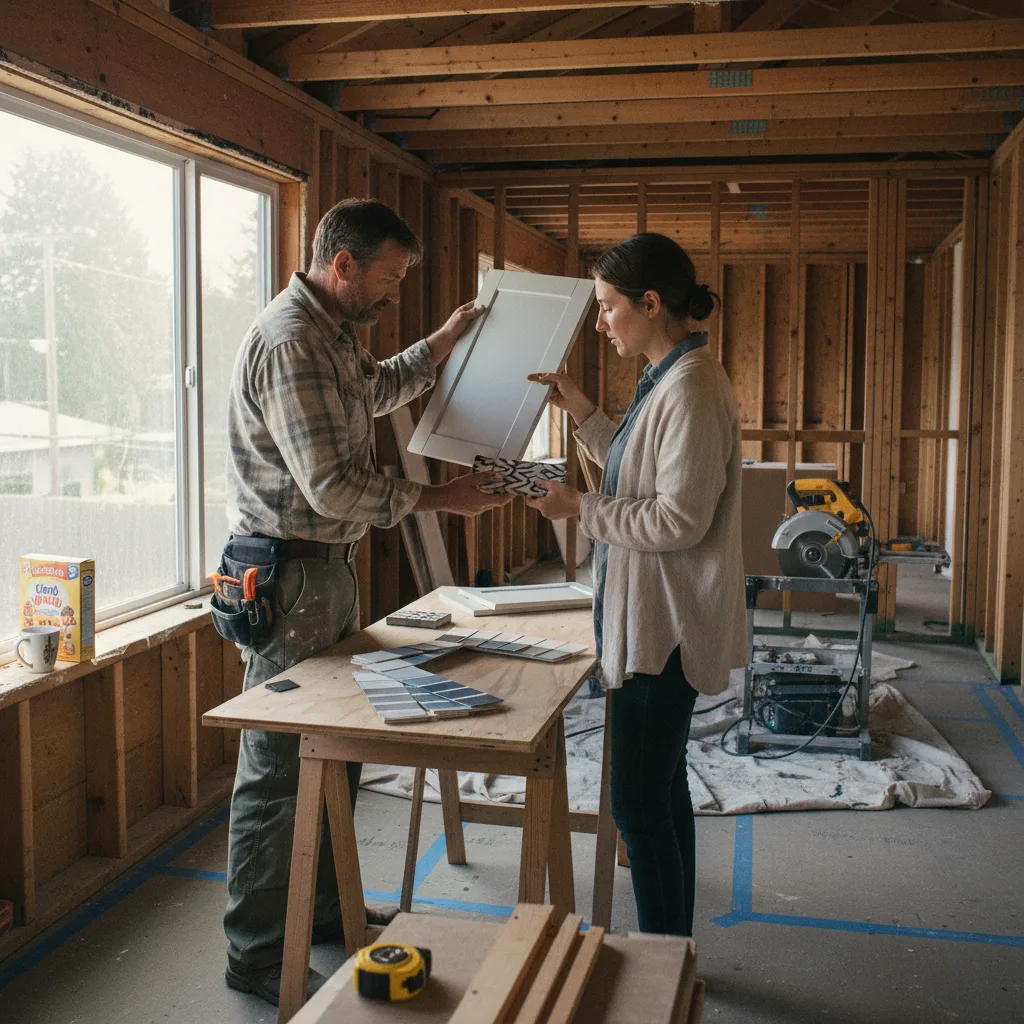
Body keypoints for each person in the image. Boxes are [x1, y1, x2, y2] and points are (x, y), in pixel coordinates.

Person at [218, 198, 512, 1006]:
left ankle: (318, 912)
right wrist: (442, 498)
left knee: (332, 754)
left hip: (322, 570)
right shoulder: (291, 343)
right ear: (340, 264)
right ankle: (254, 949)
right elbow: (336, 485)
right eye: (386, 279)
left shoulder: (333, 336)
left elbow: (377, 390)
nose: (393, 296)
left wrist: (441, 346)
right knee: (280, 770)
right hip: (291, 577)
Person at [526, 232, 746, 937]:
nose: (600, 322)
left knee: (637, 809)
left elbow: (678, 517)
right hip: (653, 625)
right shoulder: (669, 376)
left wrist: (579, 509)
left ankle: (659, 969)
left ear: (651, 304)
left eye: (607, 307)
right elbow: (638, 465)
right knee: (662, 789)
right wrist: (584, 413)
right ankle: (672, 955)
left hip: (665, 632)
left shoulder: (692, 388)